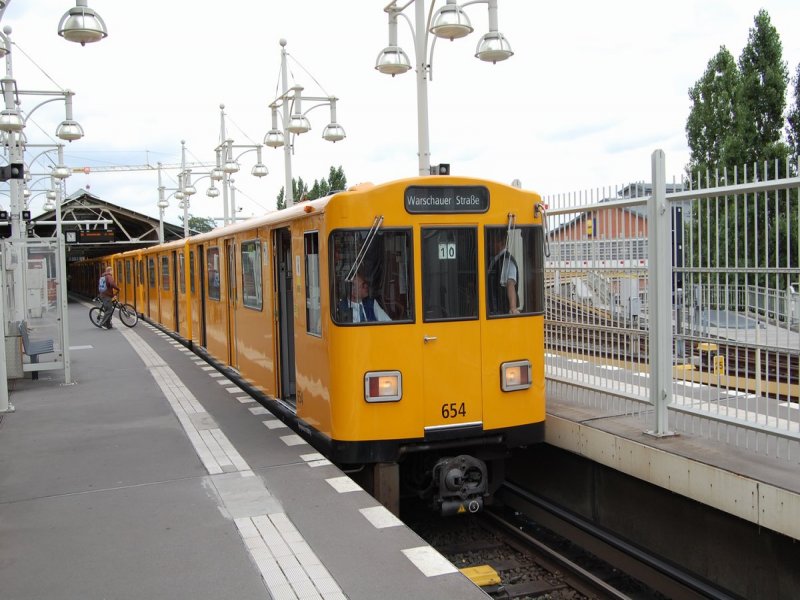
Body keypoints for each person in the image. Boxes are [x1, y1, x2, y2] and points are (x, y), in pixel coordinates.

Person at [487, 232, 520, 315]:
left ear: (501, 243)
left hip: (500, 312)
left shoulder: (507, 261)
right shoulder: (495, 259)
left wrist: (513, 308)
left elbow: (510, 284)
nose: (489, 244)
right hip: (494, 310)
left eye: (492, 241)